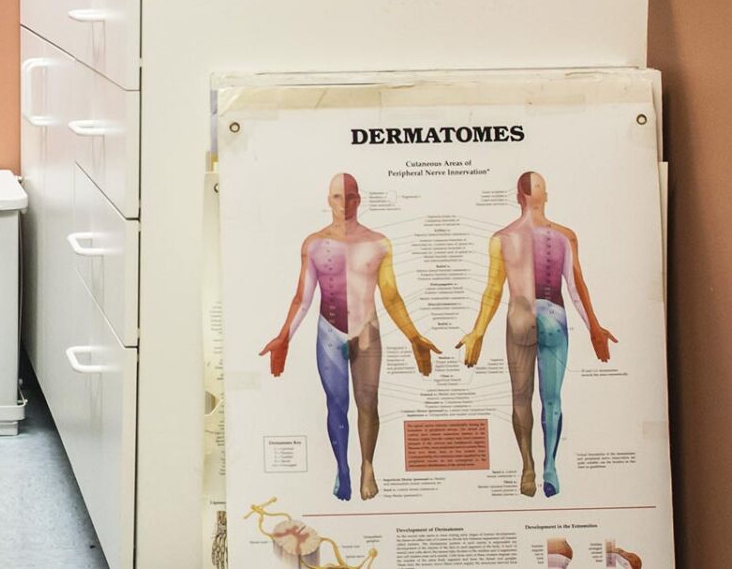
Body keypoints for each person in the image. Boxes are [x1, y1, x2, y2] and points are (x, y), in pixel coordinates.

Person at [259, 173, 441, 501]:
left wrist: (414, 336)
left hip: (366, 330)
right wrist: (284, 335)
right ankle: (342, 467)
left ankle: (367, 465)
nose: (345, 204)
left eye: (350, 197)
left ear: (360, 199)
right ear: (328, 200)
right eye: (338, 197)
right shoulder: (314, 243)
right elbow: (303, 297)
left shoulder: (378, 242)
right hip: (330, 332)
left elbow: (391, 296)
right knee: (336, 404)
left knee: (368, 403)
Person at [457, 171, 619, 499]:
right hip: (554, 316)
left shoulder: (502, 237)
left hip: (519, 317)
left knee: (520, 397)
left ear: (518, 197)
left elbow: (493, 290)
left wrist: (478, 331)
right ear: (546, 196)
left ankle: (527, 467)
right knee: (552, 399)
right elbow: (575, 287)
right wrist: (594, 328)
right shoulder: (564, 236)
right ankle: (550, 467)